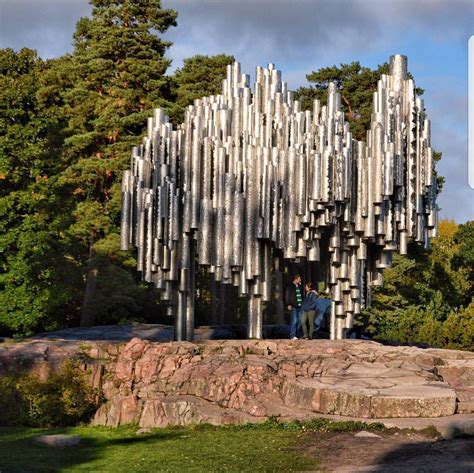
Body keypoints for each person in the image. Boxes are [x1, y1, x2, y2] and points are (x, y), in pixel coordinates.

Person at [285, 274, 304, 340]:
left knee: (300, 321)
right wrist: (288, 304)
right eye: (299, 279)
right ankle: (292, 335)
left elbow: (302, 295)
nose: (300, 280)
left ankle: (298, 335)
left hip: (300, 305)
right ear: (296, 279)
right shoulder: (290, 286)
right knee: (294, 320)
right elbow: (287, 296)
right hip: (293, 306)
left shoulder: (299, 286)